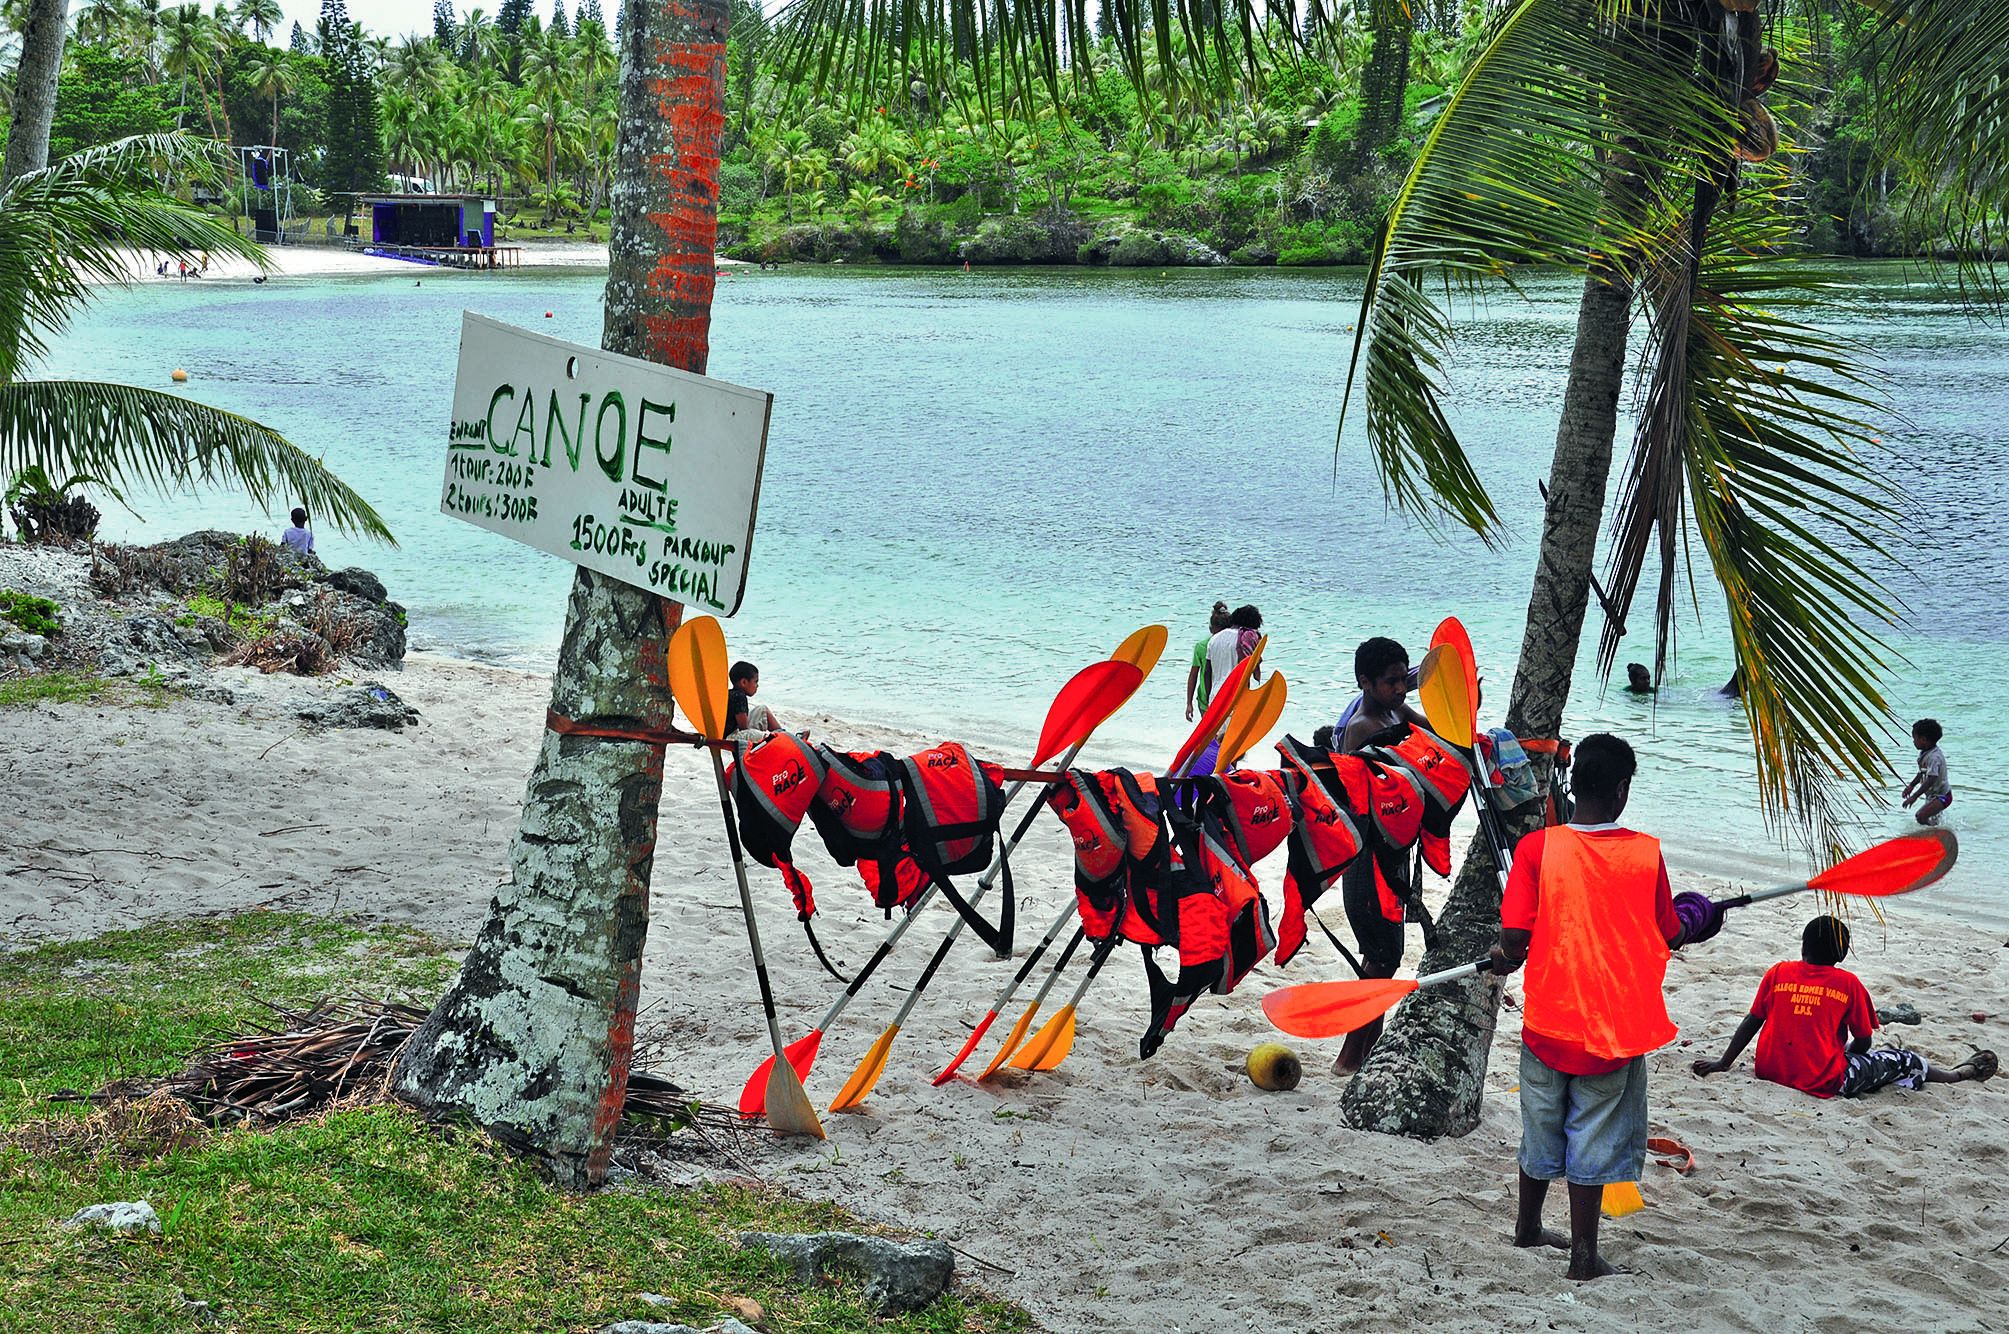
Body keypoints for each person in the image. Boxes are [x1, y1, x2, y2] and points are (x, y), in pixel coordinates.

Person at [1488, 732, 1723, 1281]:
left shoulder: (1536, 849)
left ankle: (1527, 1228)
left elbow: (1514, 944)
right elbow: (1670, 931)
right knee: (1592, 1139)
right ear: (1621, 790)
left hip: (1546, 1024)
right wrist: (1699, 917)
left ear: (1573, 784)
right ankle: (1584, 1256)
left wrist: (1501, 954)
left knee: (1541, 1130)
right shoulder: (1645, 853)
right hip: (1611, 1033)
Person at [1692, 915, 1997, 1097]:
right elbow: (1863, 1041)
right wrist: (1846, 1052)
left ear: (1803, 947)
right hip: (1822, 1081)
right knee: (1903, 1060)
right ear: (1842, 955)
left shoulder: (1778, 972)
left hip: (1770, 1071)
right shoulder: (1848, 984)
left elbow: (1751, 1021)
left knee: (1876, 1057)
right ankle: (1959, 1075)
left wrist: (1723, 1062)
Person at [1331, 636, 1435, 1074]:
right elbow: (1364, 797)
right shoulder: (1362, 728)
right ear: (1365, 682)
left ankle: (1361, 1054)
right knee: (1381, 957)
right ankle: (1349, 1060)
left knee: (1385, 958)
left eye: (1402, 679)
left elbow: (1433, 733)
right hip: (1366, 860)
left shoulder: (1395, 711)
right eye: (1390, 682)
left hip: (1392, 859)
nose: (1400, 688)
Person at [727, 660, 804, 744]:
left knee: (762, 709)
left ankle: (783, 735)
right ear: (744, 682)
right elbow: (743, 728)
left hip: (733, 732)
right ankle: (786, 741)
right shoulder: (739, 697)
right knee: (762, 735)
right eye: (755, 682)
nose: (757, 685)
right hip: (731, 736)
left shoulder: (731, 693)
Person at [1184, 601, 1231, 722]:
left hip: (1208, 698)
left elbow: (1193, 676)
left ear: (1211, 628)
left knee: (1213, 737)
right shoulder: (1232, 646)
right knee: (1218, 737)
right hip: (1219, 698)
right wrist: (1189, 703)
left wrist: (1189, 703)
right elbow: (1193, 675)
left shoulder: (1201, 646)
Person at [1900, 718, 1951, 826]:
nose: (1913, 741)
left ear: (1923, 739)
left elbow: (1931, 779)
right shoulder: (1925, 753)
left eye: (1914, 738)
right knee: (1933, 820)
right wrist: (1911, 785)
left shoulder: (1934, 757)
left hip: (1943, 796)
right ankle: (1936, 831)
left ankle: (1935, 833)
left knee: (1921, 816)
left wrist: (1914, 796)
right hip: (1933, 796)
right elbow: (1922, 772)